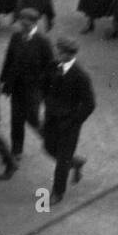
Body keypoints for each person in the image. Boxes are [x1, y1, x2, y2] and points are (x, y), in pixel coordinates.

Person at [44, 38, 95, 205]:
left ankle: (57, 192)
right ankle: (77, 163)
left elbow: (89, 104)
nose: (57, 55)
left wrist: (74, 121)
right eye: (57, 51)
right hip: (52, 118)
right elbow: (45, 84)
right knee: (49, 148)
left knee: (62, 160)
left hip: (69, 124)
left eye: (60, 52)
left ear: (69, 54)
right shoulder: (53, 66)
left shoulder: (80, 76)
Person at [0, 8, 53, 169]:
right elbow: (9, 59)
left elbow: (50, 67)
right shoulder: (16, 37)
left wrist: (45, 88)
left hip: (34, 88)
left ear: (34, 23)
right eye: (21, 21)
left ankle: (50, 139)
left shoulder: (43, 42)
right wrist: (3, 80)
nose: (22, 25)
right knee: (16, 119)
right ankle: (17, 150)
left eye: (26, 22)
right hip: (16, 86)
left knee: (32, 118)